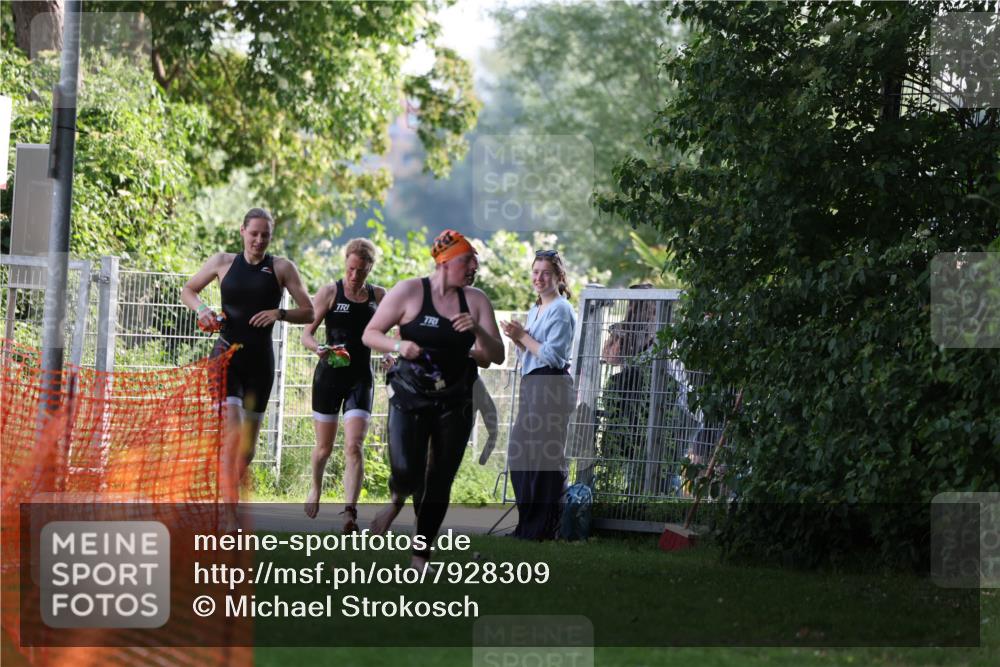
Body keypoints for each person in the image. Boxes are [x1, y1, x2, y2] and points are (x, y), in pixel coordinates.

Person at [362, 229, 504, 570]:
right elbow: (370, 334)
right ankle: (398, 499)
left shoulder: (477, 301)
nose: (473, 267)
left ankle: (420, 557)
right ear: (445, 262)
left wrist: (478, 330)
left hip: (455, 399)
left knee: (440, 479)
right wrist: (399, 346)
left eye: (475, 262)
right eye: (467, 260)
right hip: (410, 395)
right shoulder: (410, 291)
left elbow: (494, 355)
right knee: (407, 472)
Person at [182, 208, 313, 518]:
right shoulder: (222, 262)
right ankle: (228, 515)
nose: (258, 240)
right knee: (232, 437)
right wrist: (202, 310)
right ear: (242, 231)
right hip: (226, 357)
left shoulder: (282, 268)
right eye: (253, 233)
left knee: (247, 450)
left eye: (265, 235)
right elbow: (188, 290)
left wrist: (279, 313)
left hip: (260, 364)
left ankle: (223, 492)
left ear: (271, 237)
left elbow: (308, 312)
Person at [302, 239, 386, 532]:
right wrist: (318, 349)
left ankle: (350, 513)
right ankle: (316, 488)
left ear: (370, 269)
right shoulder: (329, 292)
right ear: (345, 264)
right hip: (328, 376)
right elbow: (307, 334)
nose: (354, 276)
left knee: (354, 445)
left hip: (360, 378)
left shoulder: (379, 296)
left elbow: (386, 334)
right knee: (324, 448)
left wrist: (388, 354)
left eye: (361, 272)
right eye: (351, 269)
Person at [500, 249, 577, 540]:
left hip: (552, 386)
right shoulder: (536, 309)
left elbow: (554, 357)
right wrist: (518, 338)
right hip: (533, 385)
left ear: (558, 277)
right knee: (521, 456)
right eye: (535, 272)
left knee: (544, 461)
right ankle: (528, 525)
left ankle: (542, 528)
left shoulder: (561, 308)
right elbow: (533, 353)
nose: (539, 278)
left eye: (546, 273)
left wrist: (523, 337)